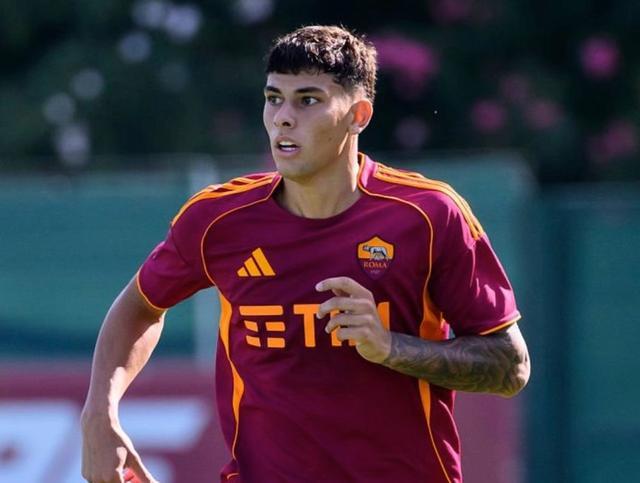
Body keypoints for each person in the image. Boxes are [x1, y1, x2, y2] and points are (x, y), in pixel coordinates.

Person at [81, 25, 530, 483]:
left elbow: (510, 366)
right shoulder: (217, 220)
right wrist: (100, 414)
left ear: (358, 115)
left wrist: (390, 347)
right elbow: (141, 306)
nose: (283, 118)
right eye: (273, 98)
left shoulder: (429, 215)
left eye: (308, 100)